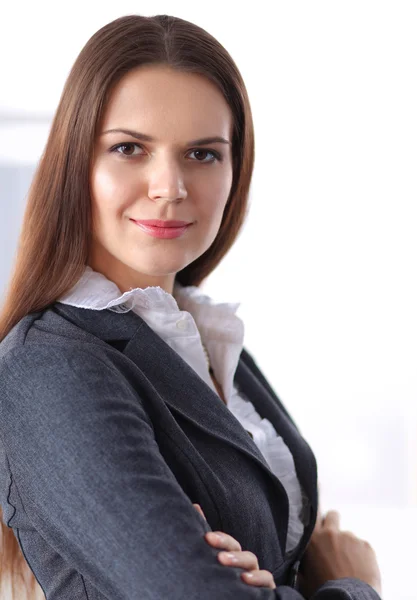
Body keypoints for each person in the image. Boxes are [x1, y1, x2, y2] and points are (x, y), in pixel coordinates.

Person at [0, 14, 382, 600]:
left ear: (236, 170)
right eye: (129, 148)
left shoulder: (213, 342)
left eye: (202, 154)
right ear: (77, 165)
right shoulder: (49, 367)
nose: (169, 186)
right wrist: (354, 586)